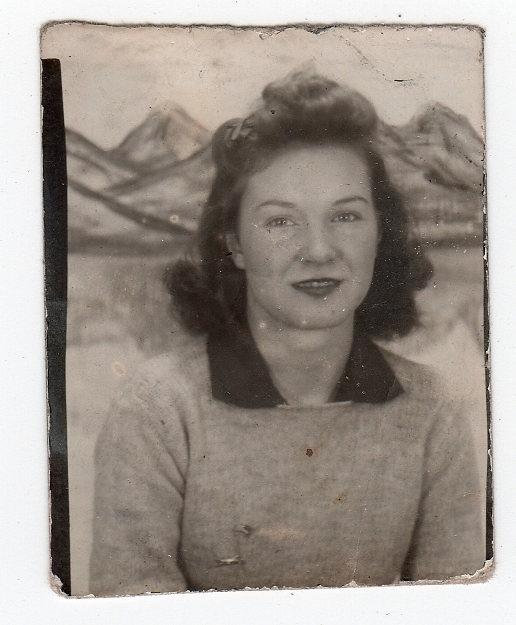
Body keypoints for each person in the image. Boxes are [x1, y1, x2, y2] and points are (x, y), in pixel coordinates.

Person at [90, 70, 486, 596]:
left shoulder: (432, 409)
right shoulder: (158, 411)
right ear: (234, 242)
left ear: (379, 232)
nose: (319, 249)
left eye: (346, 216)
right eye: (280, 221)